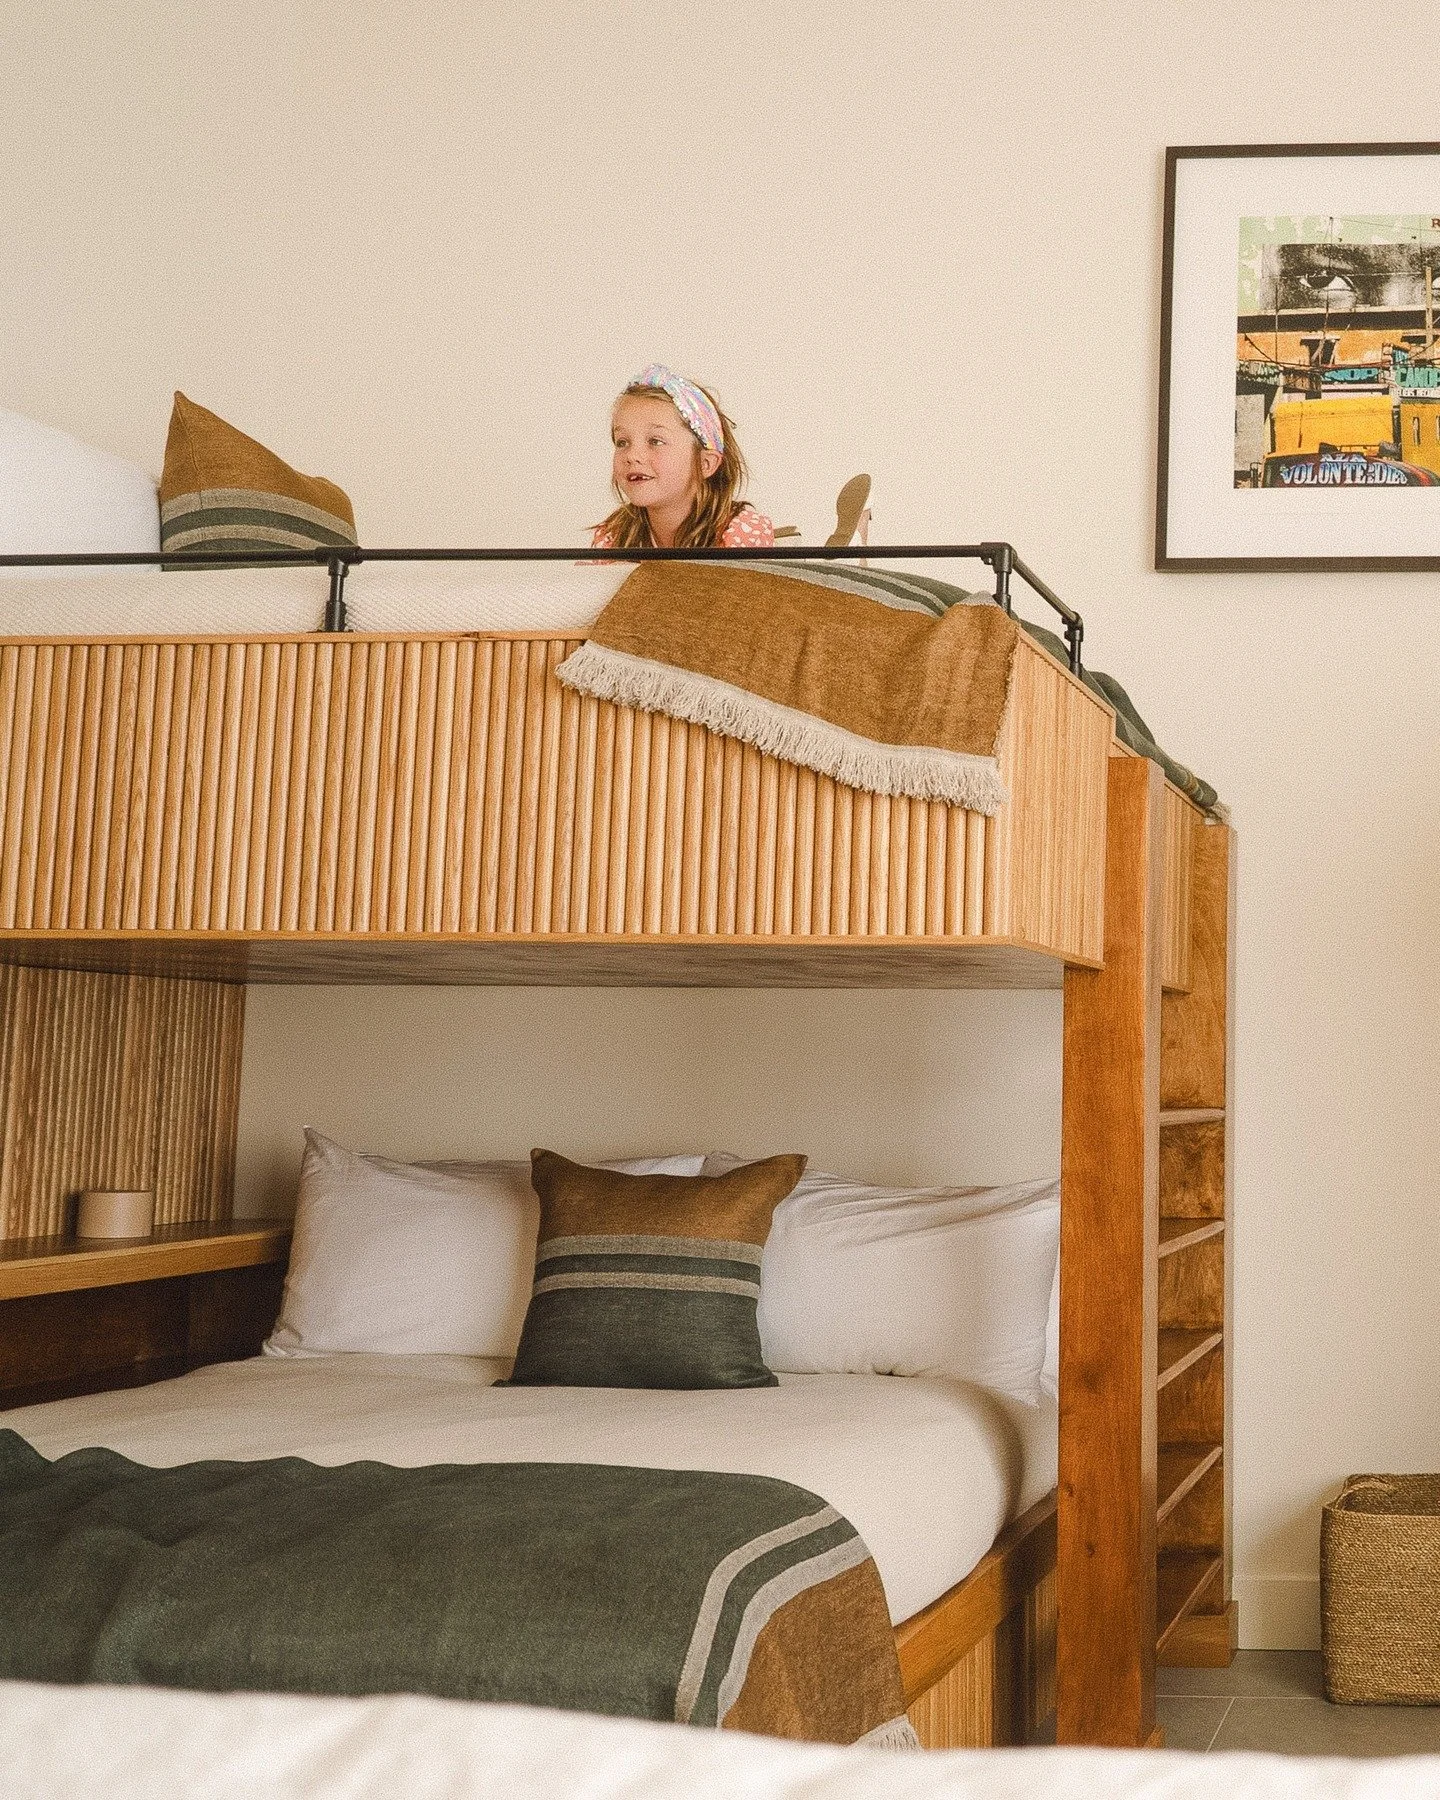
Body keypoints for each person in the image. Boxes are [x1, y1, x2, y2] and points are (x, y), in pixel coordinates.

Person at [592, 365, 774, 550]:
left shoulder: (742, 530)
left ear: (705, 464)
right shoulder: (611, 536)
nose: (632, 455)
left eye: (655, 441)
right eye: (622, 442)